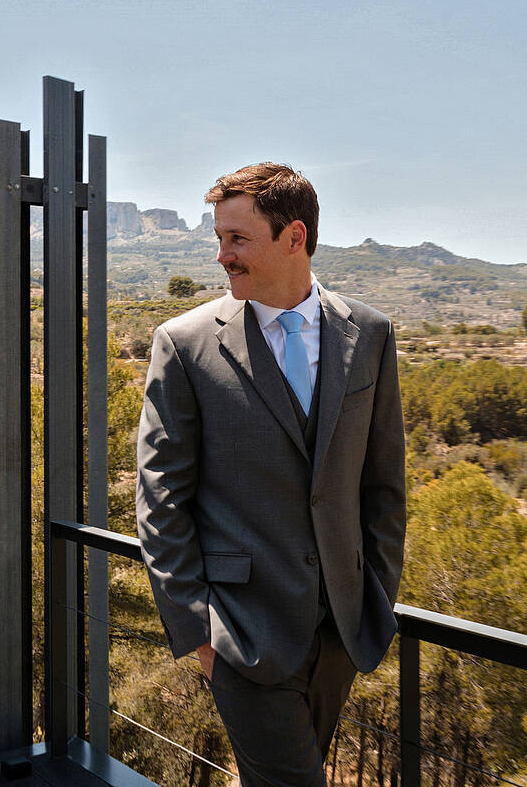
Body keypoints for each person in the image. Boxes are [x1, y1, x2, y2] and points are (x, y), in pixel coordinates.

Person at [135, 162, 406, 786]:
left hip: (340, 635)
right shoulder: (185, 344)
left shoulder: (369, 334)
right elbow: (161, 497)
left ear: (295, 238)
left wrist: (374, 597)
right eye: (219, 238)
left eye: (238, 239)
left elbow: (384, 484)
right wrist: (199, 631)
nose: (222, 255)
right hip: (241, 635)